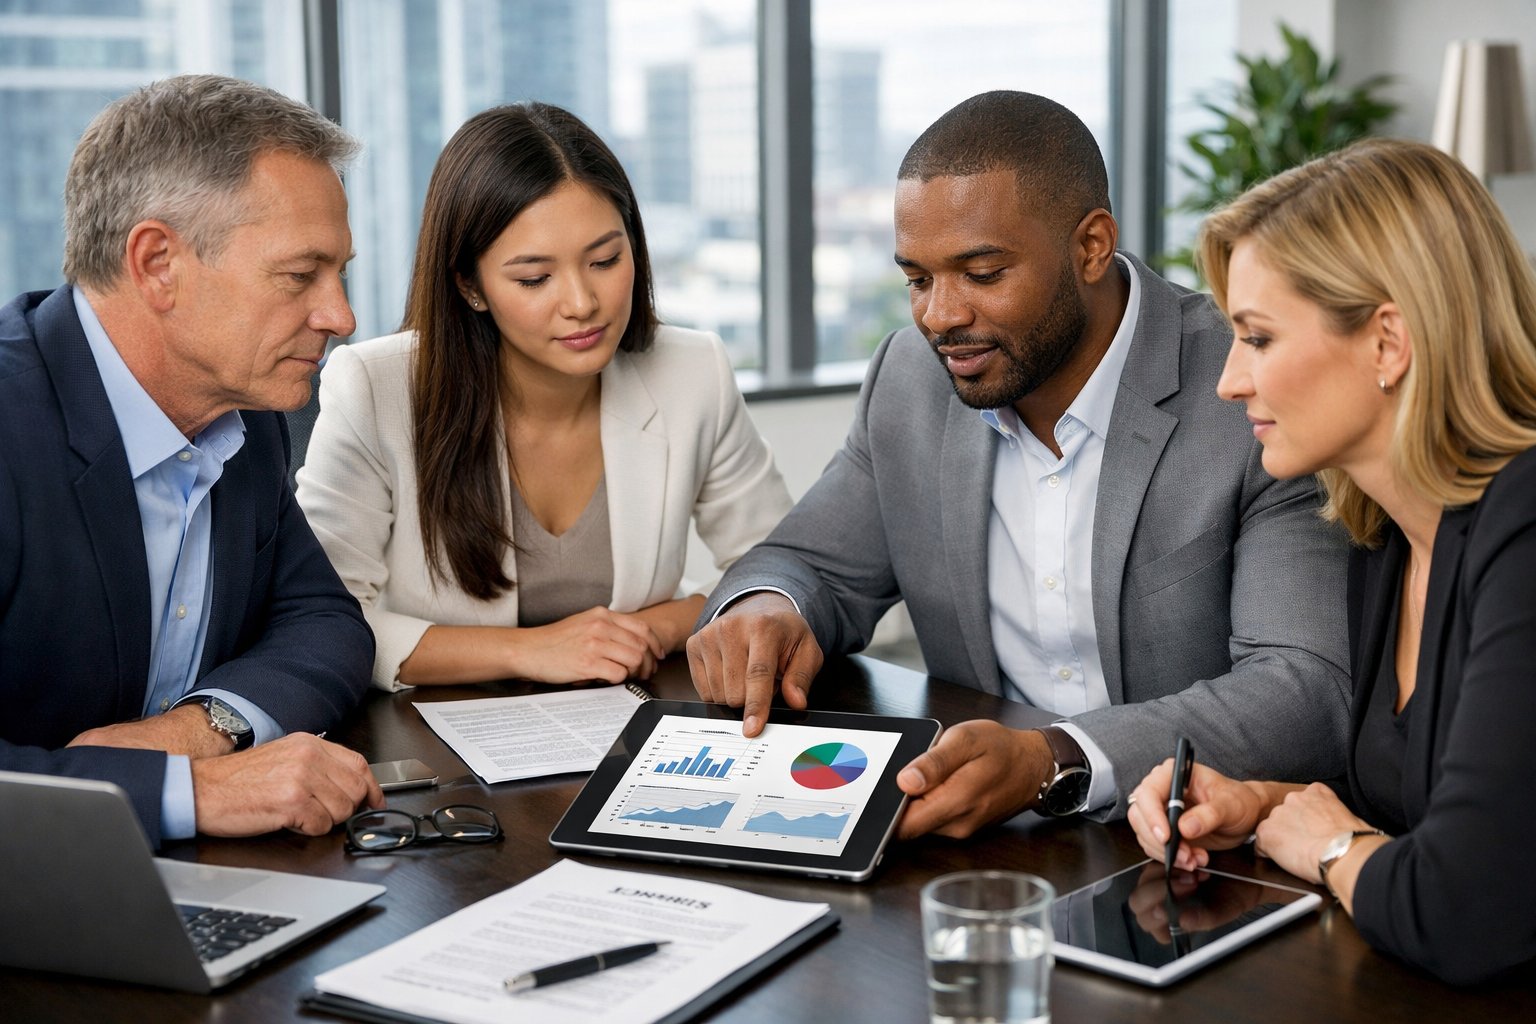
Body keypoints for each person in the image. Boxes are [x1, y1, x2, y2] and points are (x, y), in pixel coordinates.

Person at [687, 90, 1352, 839]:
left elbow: (1303, 690)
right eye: (918, 279)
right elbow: (811, 564)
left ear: (1092, 246)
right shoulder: (912, 376)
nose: (939, 315)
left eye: (981, 272)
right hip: (981, 852)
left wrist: (1053, 760)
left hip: (1203, 847)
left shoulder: (1245, 389)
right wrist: (768, 608)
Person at [1126, 138, 1536, 984]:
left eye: (1259, 338)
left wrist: (1333, 847)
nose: (1228, 382)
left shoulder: (1526, 530)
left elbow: (1464, 908)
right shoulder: (1386, 536)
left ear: (1388, 342)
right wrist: (1262, 805)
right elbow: (1419, 817)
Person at [0, 75, 384, 845]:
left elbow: (323, 621)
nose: (339, 316)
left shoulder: (244, 413)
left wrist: (199, 730)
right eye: (299, 275)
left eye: (338, 273)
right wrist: (187, 792)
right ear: (157, 263)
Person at [296, 102, 791, 692]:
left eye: (605, 260)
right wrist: (531, 651)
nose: (582, 302)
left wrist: (653, 629)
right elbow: (321, 620)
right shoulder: (373, 388)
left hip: (629, 724)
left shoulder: (692, 371)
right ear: (470, 285)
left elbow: (777, 571)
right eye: (534, 278)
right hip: (435, 743)